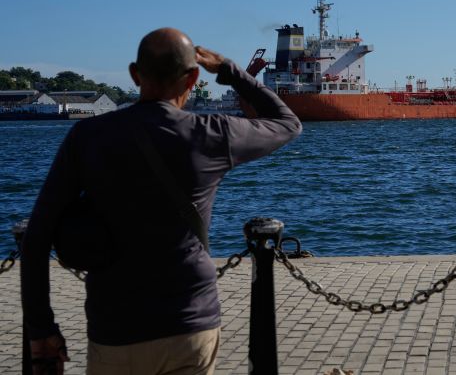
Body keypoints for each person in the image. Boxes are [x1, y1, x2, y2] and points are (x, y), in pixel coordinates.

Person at [21, 28, 303, 374]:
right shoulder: (213, 133)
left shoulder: (88, 136)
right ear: (193, 79)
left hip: (116, 329)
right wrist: (229, 71)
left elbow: (38, 236)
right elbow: (287, 124)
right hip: (190, 324)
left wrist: (41, 329)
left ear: (135, 74)